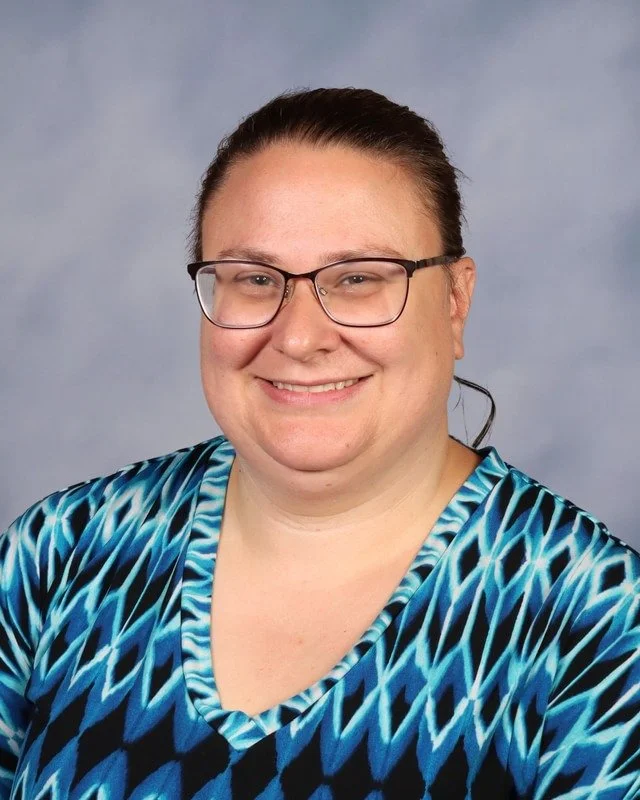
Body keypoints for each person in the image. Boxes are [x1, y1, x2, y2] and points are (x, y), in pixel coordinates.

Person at [1, 88, 638, 800]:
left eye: (359, 278)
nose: (299, 336)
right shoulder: (60, 555)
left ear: (455, 301)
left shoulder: (597, 624)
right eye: (253, 279)